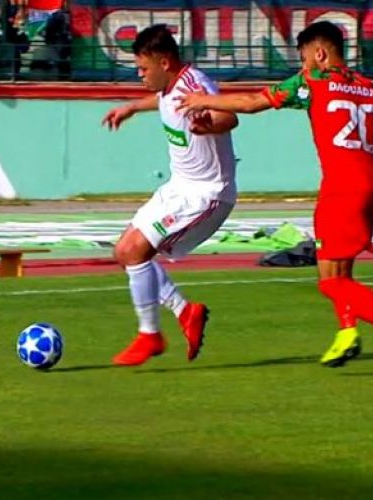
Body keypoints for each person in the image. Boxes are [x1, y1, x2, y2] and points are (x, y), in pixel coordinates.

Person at [175, 21, 373, 380]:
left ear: (320, 54)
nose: (302, 65)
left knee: (330, 282)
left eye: (305, 57)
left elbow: (251, 103)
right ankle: (346, 332)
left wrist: (202, 99)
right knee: (337, 268)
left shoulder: (312, 82)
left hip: (342, 188)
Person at [102, 25, 239, 366]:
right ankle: (184, 312)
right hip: (179, 187)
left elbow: (228, 115)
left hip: (206, 195)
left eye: (143, 68)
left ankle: (150, 336)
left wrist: (211, 123)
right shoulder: (170, 86)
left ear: (164, 62)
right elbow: (163, 99)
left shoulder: (196, 86)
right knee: (125, 251)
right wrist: (133, 107)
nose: (139, 74)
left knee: (135, 250)